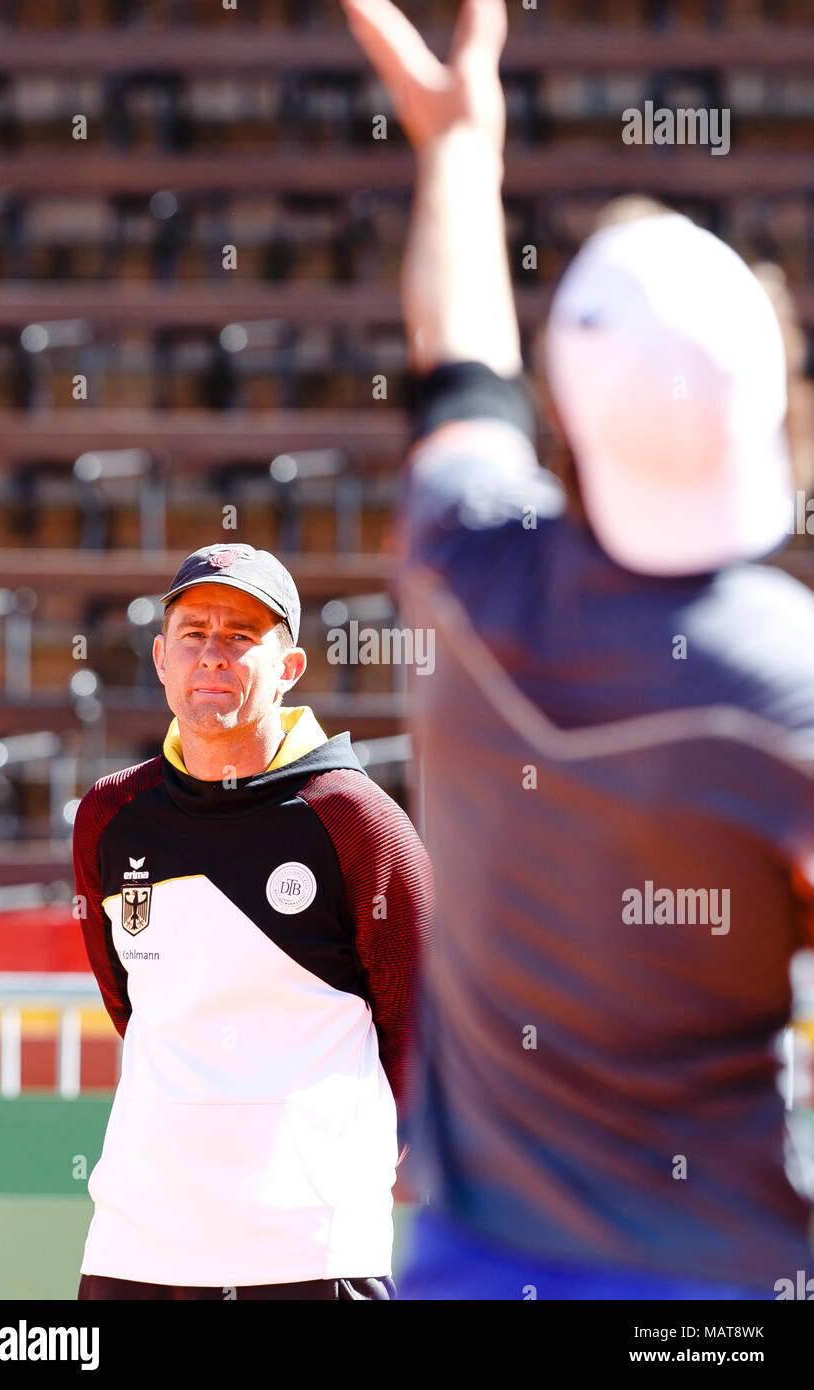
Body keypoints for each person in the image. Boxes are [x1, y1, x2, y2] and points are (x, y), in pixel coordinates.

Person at [344, 0, 814, 1298]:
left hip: (475, 1266)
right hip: (723, 1280)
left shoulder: (461, 561)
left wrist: (455, 150)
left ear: (565, 401)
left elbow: (459, 373)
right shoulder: (786, 687)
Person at [72, 541, 432, 1300]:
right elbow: (130, 1003)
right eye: (195, 633)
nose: (214, 654)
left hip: (311, 1245)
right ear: (162, 658)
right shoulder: (110, 816)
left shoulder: (358, 819)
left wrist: (347, 1163)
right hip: (142, 1236)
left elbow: (424, 1023)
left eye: (241, 635)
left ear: (289, 667)